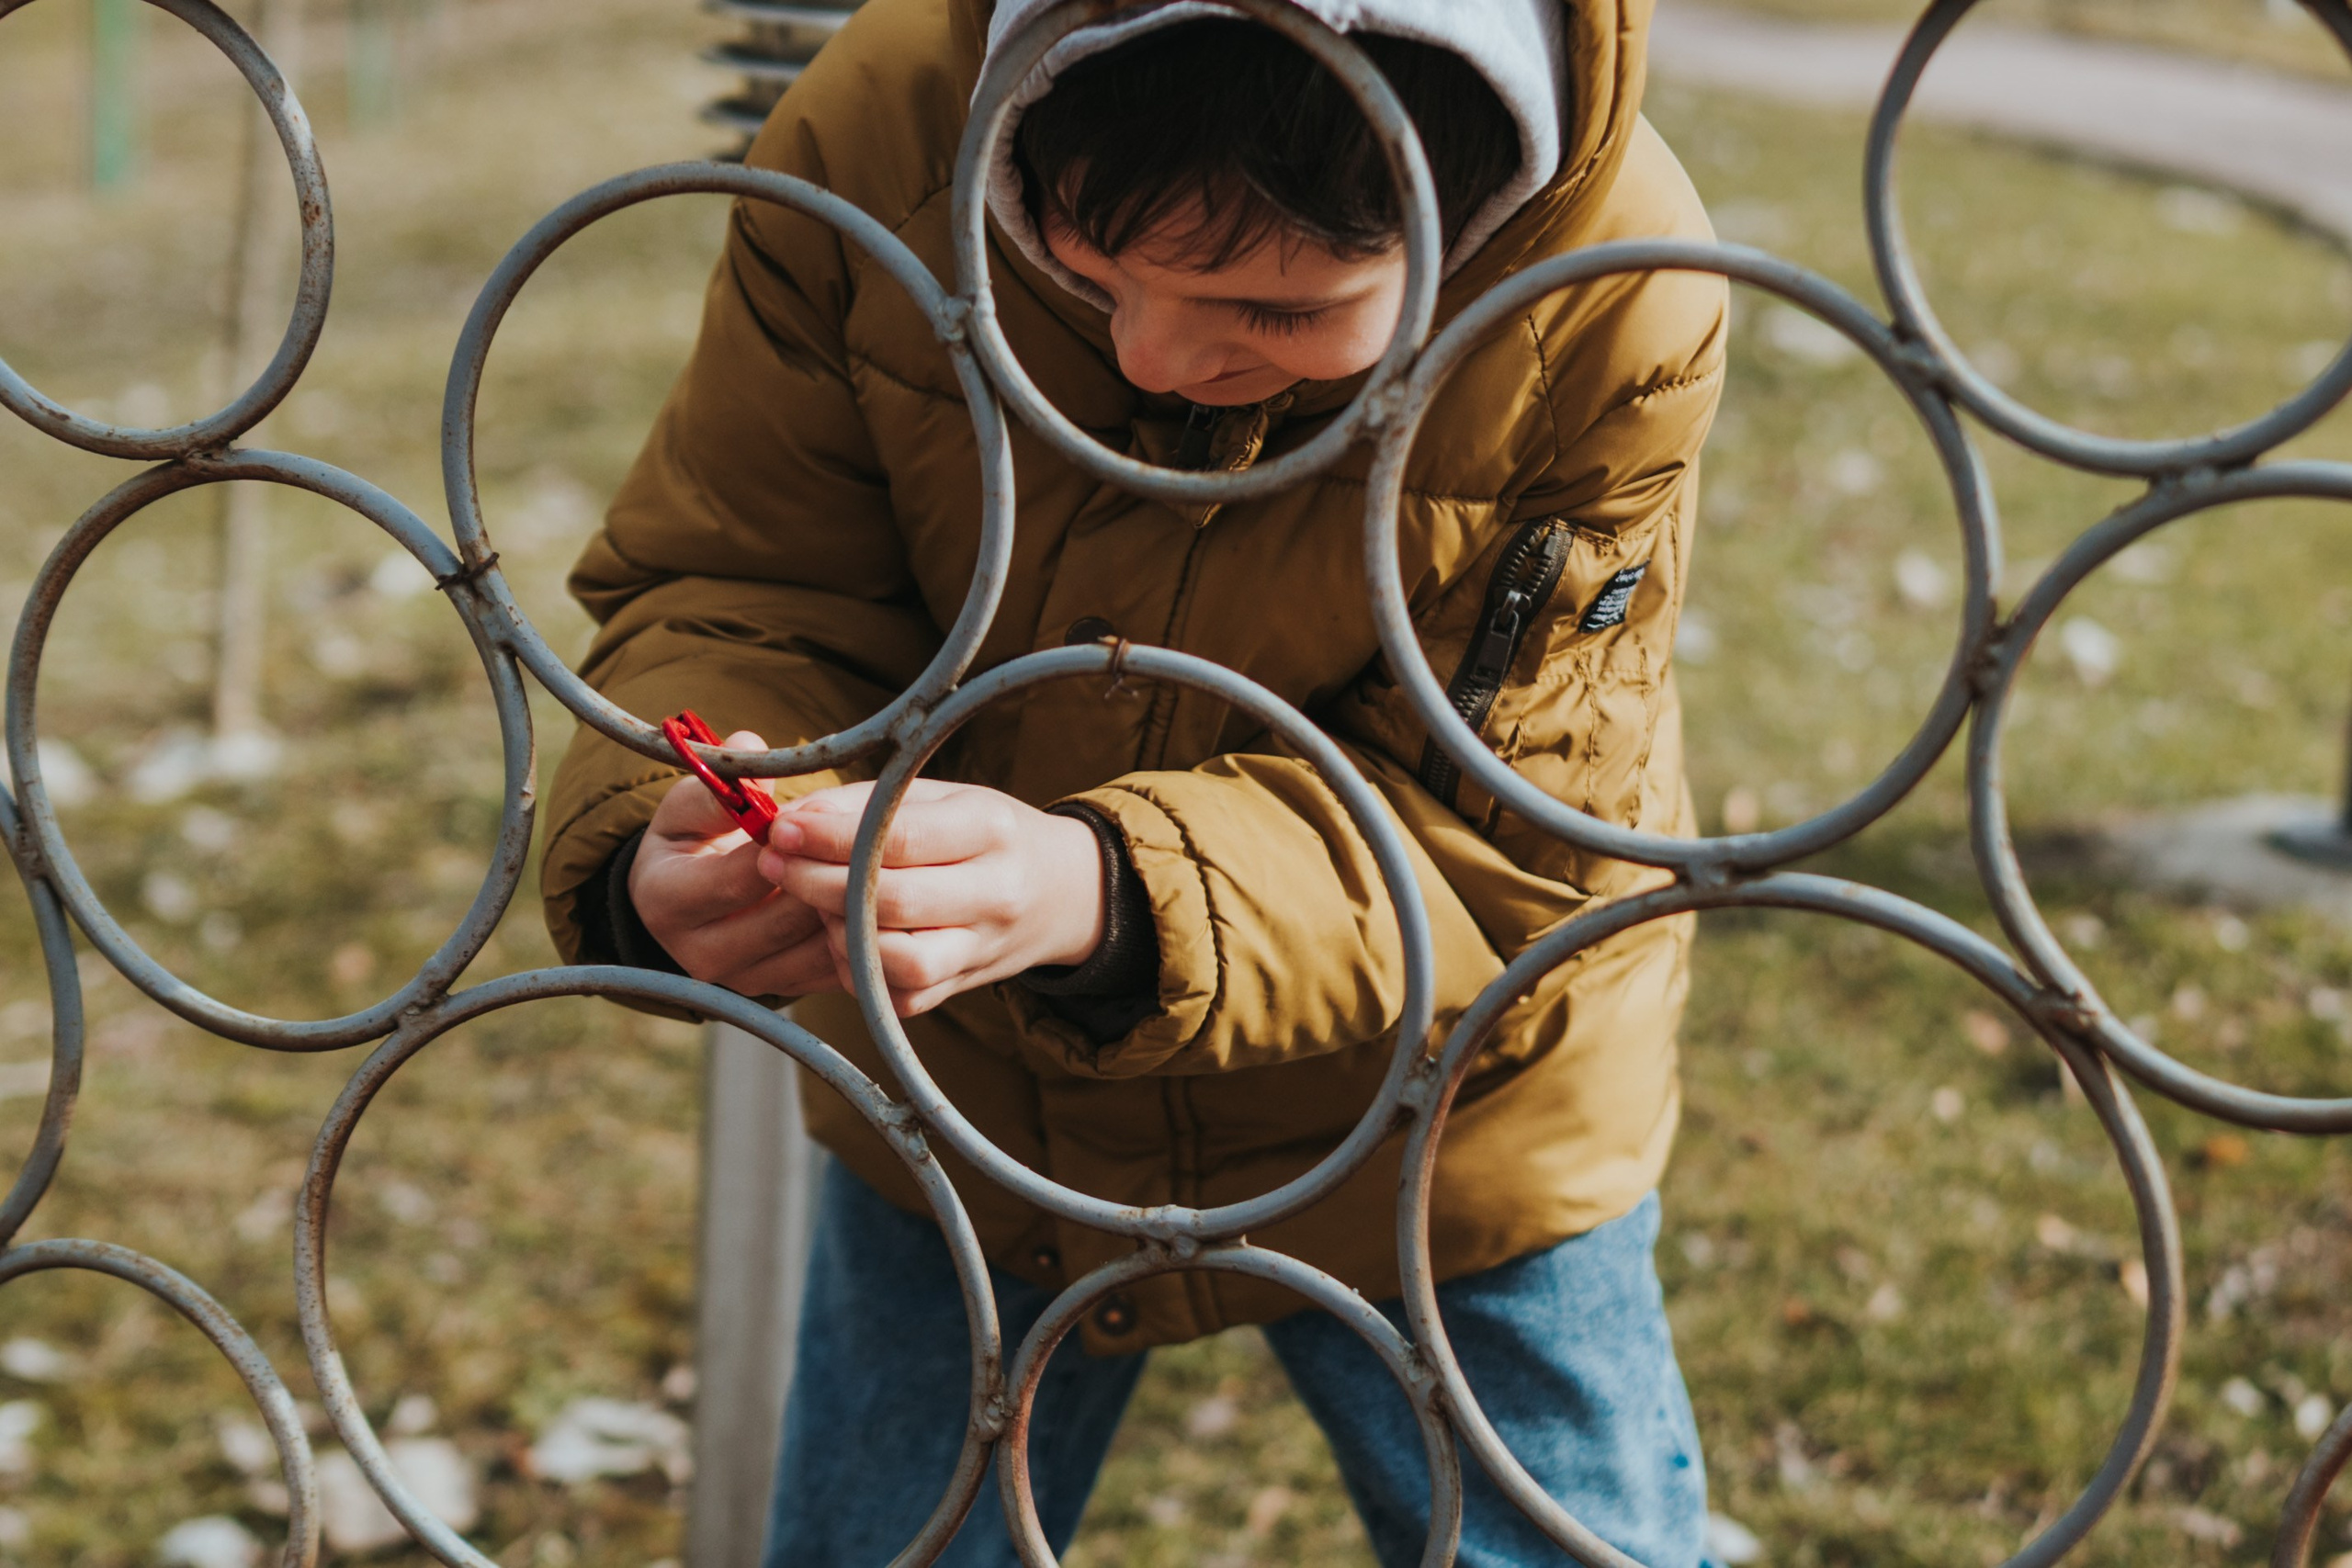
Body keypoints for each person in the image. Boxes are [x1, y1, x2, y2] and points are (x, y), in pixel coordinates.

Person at [543, 0, 1728, 1562]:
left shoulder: (1605, 290)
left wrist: (1098, 892)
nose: (1150, 354)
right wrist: (660, 830)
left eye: (1274, 309)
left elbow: (1501, 833)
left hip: (1446, 1115)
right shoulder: (886, 125)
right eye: (1078, 265)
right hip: (968, 1079)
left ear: (1468, 220)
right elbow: (751, 575)